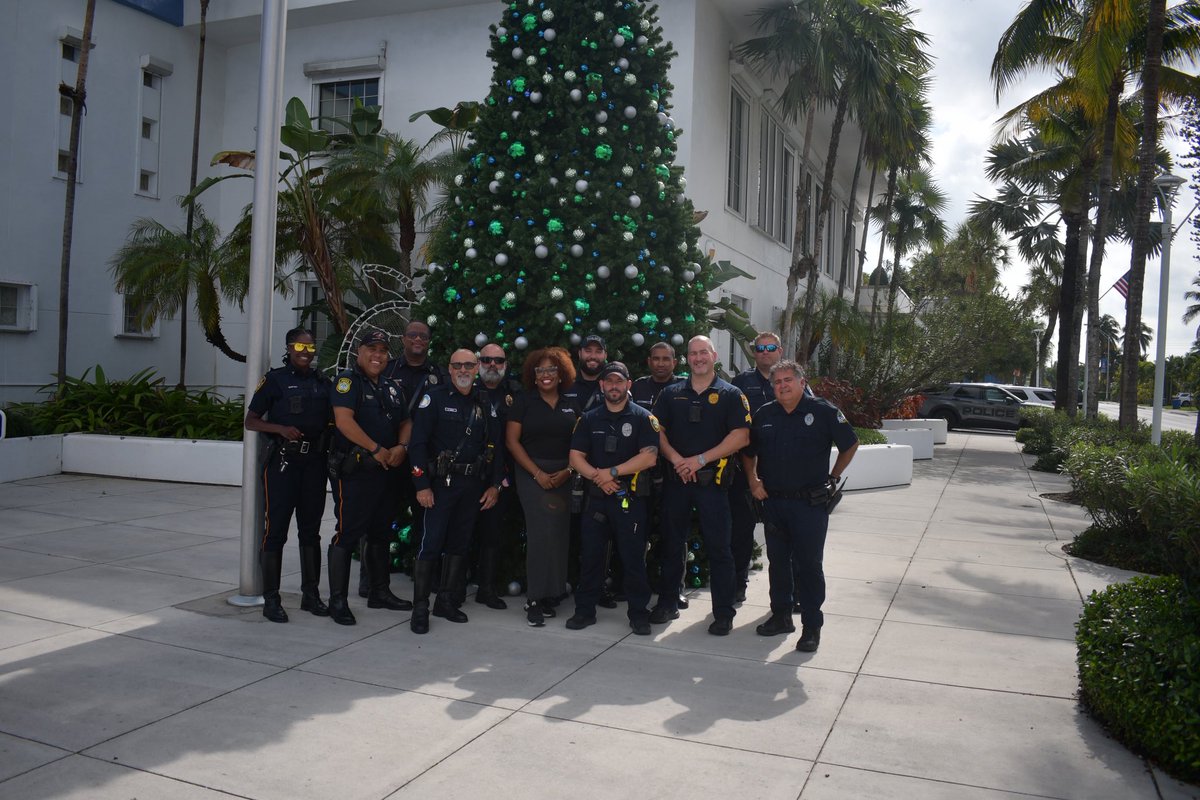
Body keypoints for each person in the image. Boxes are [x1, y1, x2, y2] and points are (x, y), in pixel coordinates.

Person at [743, 359, 858, 652]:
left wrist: (834, 476)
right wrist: (754, 482)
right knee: (778, 564)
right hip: (774, 503)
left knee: (808, 566)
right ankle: (781, 616)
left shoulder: (823, 411)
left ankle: (811, 627)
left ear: (801, 382)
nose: (782, 386)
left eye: (787, 380)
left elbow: (850, 444)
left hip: (809, 504)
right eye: (777, 382)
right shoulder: (765, 414)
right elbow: (748, 452)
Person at [650, 335, 750, 635]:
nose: (698, 358)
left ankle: (723, 612)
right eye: (693, 354)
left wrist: (700, 460)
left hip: (713, 485)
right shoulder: (671, 393)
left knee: (720, 549)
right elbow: (656, 431)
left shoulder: (731, 394)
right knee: (671, 543)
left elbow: (741, 437)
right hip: (677, 481)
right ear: (687, 359)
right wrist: (679, 460)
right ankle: (668, 601)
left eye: (703, 352)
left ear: (714, 355)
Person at [408, 349, 503, 634]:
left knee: (460, 544)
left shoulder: (484, 402)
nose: (464, 370)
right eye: (458, 365)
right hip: (439, 486)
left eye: (469, 365)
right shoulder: (434, 398)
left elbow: (497, 448)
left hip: (472, 486)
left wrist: (495, 485)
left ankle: (446, 601)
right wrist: (421, 485)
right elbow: (417, 445)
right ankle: (421, 607)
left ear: (476, 370)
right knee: (431, 544)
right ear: (449, 369)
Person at [244, 327, 332, 623]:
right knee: (276, 532)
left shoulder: (323, 383)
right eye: (298, 347)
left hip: (315, 465)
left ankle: (311, 596)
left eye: (309, 348)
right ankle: (272, 599)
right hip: (283, 465)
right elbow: (251, 421)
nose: (304, 353)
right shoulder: (274, 380)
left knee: (311, 532)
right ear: (289, 347)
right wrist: (279, 429)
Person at [326, 329, 412, 626]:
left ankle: (379, 592)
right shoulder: (348, 382)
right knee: (346, 534)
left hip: (386, 473)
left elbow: (406, 420)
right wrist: (375, 448)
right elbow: (343, 421)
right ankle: (337, 601)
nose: (378, 355)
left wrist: (401, 447)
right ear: (359, 352)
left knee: (380, 534)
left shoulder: (391, 386)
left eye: (383, 351)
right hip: (356, 473)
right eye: (371, 349)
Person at [566, 362, 660, 634]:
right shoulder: (590, 418)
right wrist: (600, 477)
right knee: (591, 557)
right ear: (602, 386)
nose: (614, 386)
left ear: (628, 385)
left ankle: (639, 614)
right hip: (596, 498)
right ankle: (585, 611)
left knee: (633, 558)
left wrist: (612, 472)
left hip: (629, 498)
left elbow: (649, 456)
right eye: (610, 382)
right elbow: (575, 457)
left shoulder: (644, 418)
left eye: (620, 381)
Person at [365, 319, 446, 598]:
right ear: (404, 337)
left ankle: (426, 575)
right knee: (379, 517)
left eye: (423, 336)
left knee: (426, 520)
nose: (418, 339)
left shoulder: (440, 374)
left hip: (422, 458)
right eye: (413, 334)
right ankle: (371, 577)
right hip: (391, 456)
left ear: (429, 340)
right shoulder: (387, 369)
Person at [506, 346, 579, 626]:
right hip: (531, 473)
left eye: (551, 370)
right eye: (540, 370)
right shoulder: (523, 402)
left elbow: (581, 444)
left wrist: (568, 470)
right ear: (533, 375)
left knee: (559, 533)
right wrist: (537, 474)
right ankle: (534, 598)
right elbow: (512, 442)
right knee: (540, 532)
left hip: (564, 474)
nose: (545, 375)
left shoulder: (572, 404)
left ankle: (553, 593)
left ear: (561, 374)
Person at [630, 341, 689, 610]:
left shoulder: (685, 388)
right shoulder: (638, 387)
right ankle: (630, 585)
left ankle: (675, 589)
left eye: (667, 359)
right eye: (656, 358)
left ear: (675, 362)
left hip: (673, 471)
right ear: (649, 361)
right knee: (636, 532)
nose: (661, 363)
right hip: (640, 472)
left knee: (673, 534)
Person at [729, 331, 783, 602]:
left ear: (780, 351)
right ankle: (738, 583)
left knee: (784, 535)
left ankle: (786, 592)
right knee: (741, 531)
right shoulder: (741, 383)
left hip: (781, 471)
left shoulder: (790, 380)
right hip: (744, 468)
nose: (765, 352)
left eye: (770, 347)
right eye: (759, 348)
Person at [471, 342, 521, 610]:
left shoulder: (513, 394)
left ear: (505, 365)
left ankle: (487, 588)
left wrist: (500, 482)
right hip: (468, 476)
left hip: (500, 478)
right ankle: (454, 586)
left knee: (493, 533)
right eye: (487, 359)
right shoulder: (466, 389)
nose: (492, 365)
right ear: (479, 363)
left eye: (498, 361)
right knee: (461, 531)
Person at [561, 334, 606, 412]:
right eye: (588, 351)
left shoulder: (612, 384)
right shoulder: (566, 383)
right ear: (579, 353)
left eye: (598, 351)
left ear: (605, 355)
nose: (593, 356)